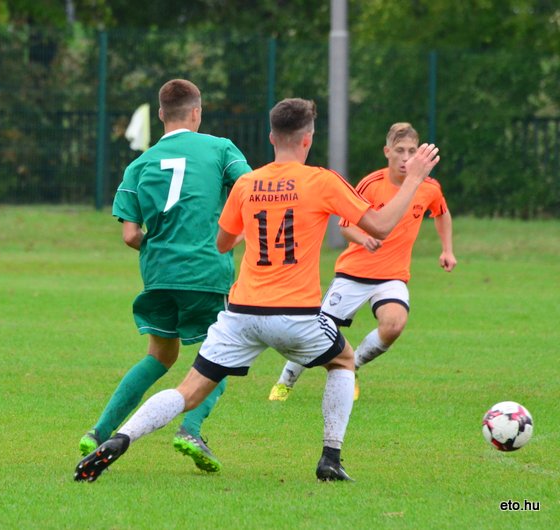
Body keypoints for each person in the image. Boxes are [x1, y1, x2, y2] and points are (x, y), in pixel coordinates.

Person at [74, 98, 440, 483]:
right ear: (308, 139)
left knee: (188, 390)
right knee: (343, 361)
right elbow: (380, 225)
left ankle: (120, 438)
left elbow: (222, 242)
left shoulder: (248, 184)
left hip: (242, 314)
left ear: (271, 137)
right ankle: (330, 458)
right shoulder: (322, 181)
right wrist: (414, 179)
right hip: (296, 315)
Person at [78, 79, 252, 473]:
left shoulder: (139, 164)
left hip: (158, 274)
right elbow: (252, 191)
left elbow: (129, 235)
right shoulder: (220, 148)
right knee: (221, 357)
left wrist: (161, 247)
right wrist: (235, 235)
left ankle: (99, 430)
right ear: (197, 112)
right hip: (205, 270)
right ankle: (191, 430)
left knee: (160, 355)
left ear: (161, 114)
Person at [268, 122, 456, 402]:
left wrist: (447, 250)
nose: (406, 158)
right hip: (354, 274)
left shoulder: (429, 187)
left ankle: (350, 366)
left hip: (393, 276)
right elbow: (345, 226)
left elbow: (441, 212)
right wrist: (364, 238)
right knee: (316, 331)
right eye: (400, 150)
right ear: (387, 151)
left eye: (412, 151)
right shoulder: (371, 184)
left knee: (394, 325)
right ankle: (286, 382)